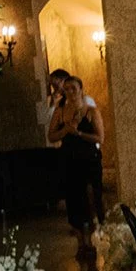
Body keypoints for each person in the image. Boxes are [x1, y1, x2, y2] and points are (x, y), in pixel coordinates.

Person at [46, 74, 104, 260]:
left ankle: (94, 238)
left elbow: (99, 137)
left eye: (73, 88)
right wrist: (66, 130)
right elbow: (52, 136)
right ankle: (81, 242)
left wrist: (78, 133)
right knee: (73, 201)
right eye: (67, 89)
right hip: (69, 160)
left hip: (88, 159)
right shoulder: (60, 111)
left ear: (81, 90)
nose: (70, 92)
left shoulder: (91, 111)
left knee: (91, 197)